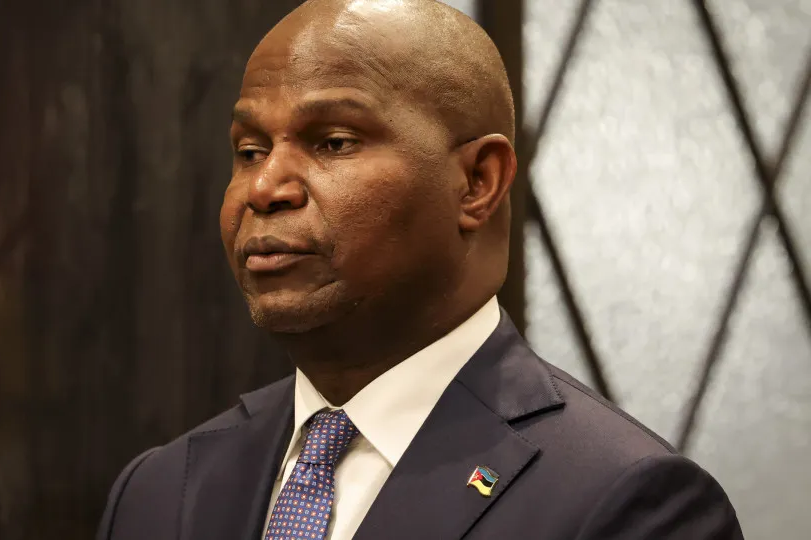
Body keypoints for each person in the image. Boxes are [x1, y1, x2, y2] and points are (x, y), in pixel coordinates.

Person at [97, 0, 744, 538]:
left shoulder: (626, 503)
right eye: (249, 150)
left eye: (333, 142)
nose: (265, 187)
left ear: (476, 183)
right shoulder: (160, 491)